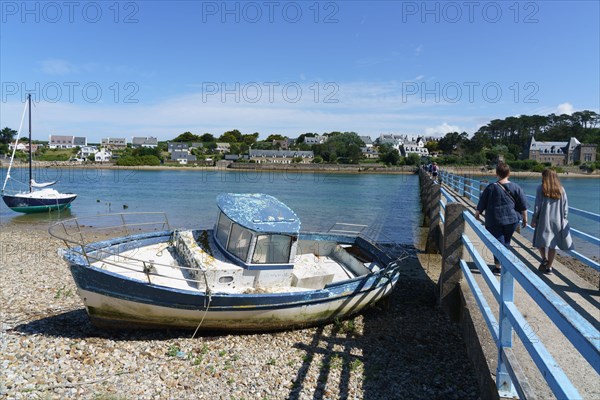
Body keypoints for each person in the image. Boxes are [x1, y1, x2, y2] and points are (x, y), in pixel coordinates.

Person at [474, 162, 528, 275]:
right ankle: (504, 264)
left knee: (498, 242)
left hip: (494, 220)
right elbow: (523, 205)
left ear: (496, 174)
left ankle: (499, 267)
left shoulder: (490, 187)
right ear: (509, 173)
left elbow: (482, 202)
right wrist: (525, 218)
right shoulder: (516, 187)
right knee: (506, 242)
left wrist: (477, 213)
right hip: (512, 220)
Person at [531, 168, 574, 274]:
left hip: (543, 219)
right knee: (552, 244)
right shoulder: (561, 189)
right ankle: (549, 267)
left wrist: (534, 219)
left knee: (540, 240)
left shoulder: (540, 188)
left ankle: (544, 259)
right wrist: (563, 218)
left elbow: (537, 206)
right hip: (557, 221)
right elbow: (565, 207)